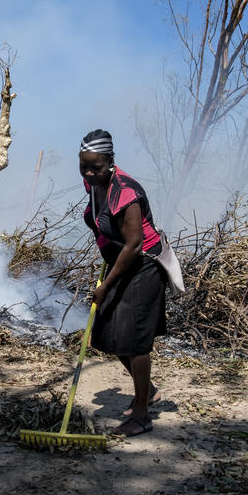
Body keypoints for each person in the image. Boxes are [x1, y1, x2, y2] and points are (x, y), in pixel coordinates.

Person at [79, 129, 166, 436]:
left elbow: (134, 244)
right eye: (84, 166)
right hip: (121, 260)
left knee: (135, 340)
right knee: (108, 332)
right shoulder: (93, 184)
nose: (90, 173)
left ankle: (142, 415)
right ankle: (149, 391)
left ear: (110, 161)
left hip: (144, 265)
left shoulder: (126, 192)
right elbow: (102, 224)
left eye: (96, 167)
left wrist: (105, 286)